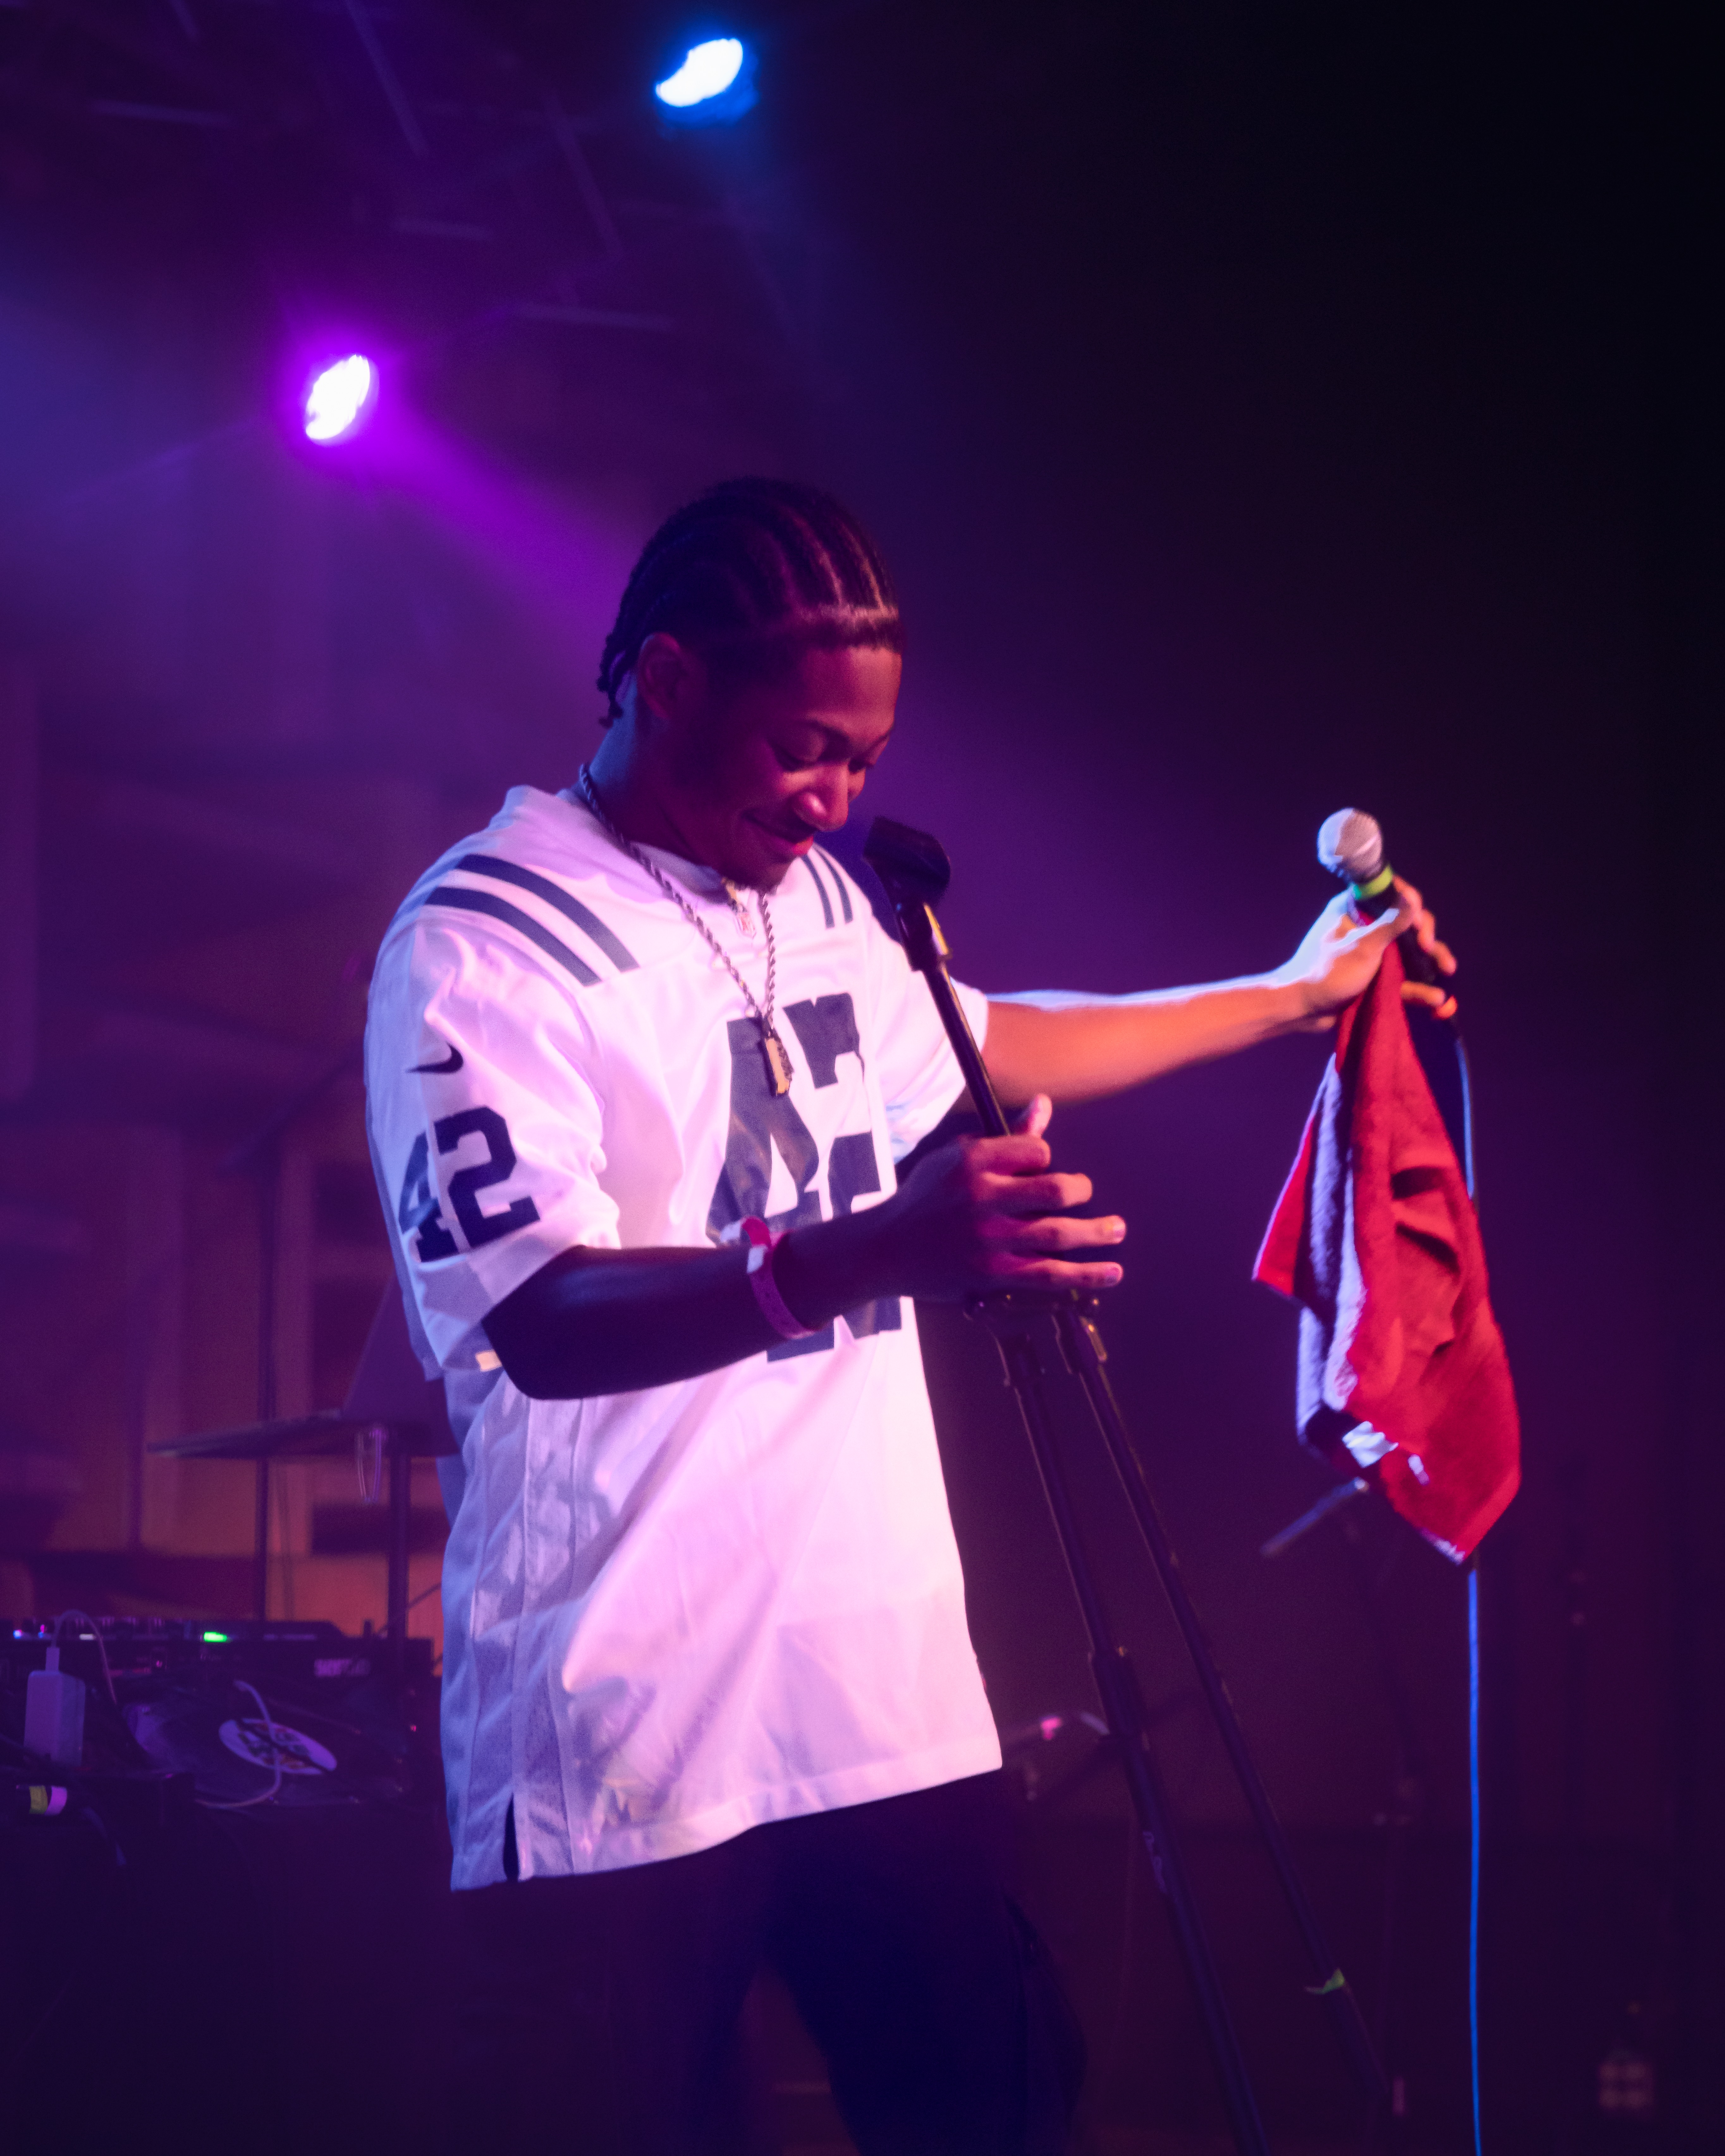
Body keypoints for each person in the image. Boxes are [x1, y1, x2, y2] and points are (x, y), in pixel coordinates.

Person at [364, 479, 1455, 2154]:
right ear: (665, 681)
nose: (834, 796)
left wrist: (1285, 997)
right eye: (802, 748)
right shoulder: (485, 939)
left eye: (863, 761)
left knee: (997, 2107)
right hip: (626, 1728)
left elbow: (984, 1036)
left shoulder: (809, 896)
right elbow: (545, 1320)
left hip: (877, 1694)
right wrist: (867, 1250)